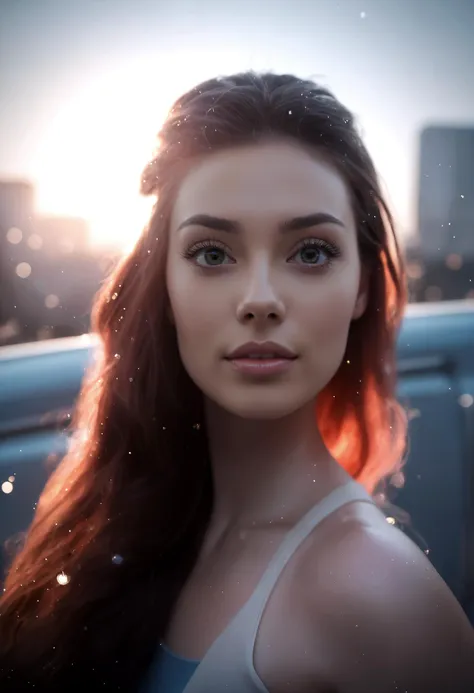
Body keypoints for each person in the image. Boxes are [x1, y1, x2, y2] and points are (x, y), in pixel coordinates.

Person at [0, 71, 473, 693]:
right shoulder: (129, 520)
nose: (260, 300)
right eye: (212, 253)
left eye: (310, 252)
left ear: (361, 285)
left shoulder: (381, 599)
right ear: (164, 283)